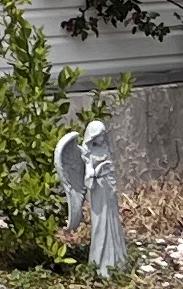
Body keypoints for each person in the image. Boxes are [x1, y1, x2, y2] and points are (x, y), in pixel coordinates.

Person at [55, 113, 130, 277]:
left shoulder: (104, 149)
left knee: (113, 223)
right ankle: (102, 265)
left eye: (103, 134)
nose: (102, 138)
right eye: (99, 135)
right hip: (98, 192)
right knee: (102, 225)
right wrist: (98, 169)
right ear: (93, 136)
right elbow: (88, 180)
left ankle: (118, 261)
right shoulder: (87, 154)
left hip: (109, 190)